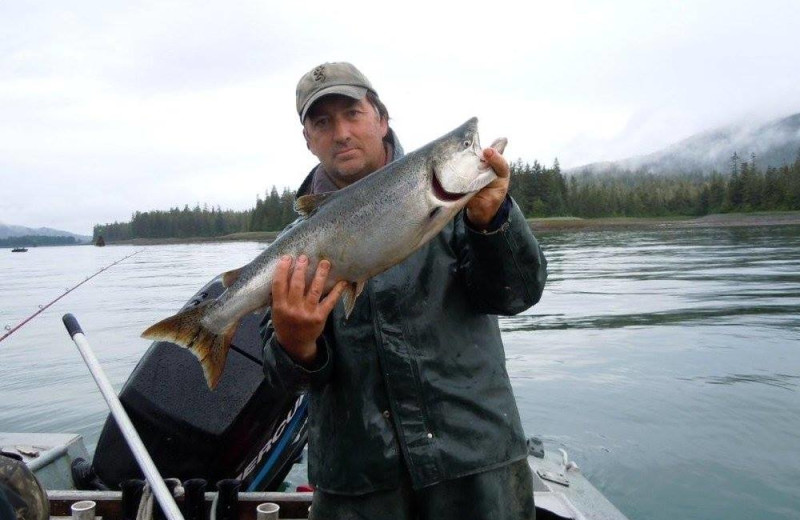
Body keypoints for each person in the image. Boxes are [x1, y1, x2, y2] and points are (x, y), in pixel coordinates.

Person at [260, 62, 548, 519]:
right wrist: (296, 346)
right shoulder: (295, 250)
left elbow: (518, 294)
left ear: (381, 118)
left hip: (476, 463)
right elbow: (283, 380)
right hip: (357, 484)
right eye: (323, 122)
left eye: (352, 113)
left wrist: (493, 224)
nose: (341, 133)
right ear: (308, 140)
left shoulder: (461, 207)